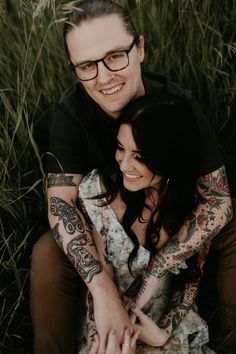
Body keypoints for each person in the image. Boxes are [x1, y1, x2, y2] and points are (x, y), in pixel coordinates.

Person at [29, 0, 235, 353]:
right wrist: (102, 290)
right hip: (105, 228)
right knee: (48, 251)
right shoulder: (72, 114)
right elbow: (61, 205)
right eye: (87, 65)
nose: (104, 77)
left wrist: (157, 270)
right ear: (73, 68)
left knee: (232, 228)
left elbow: (217, 199)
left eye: (115, 56)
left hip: (167, 220)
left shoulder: (175, 106)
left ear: (139, 49)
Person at [77, 94, 219, 354]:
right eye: (121, 148)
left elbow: (191, 281)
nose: (124, 164)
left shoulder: (195, 207)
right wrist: (103, 335)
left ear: (169, 158)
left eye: (140, 157)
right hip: (111, 319)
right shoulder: (99, 193)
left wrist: (163, 334)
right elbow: (97, 278)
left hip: (167, 322)